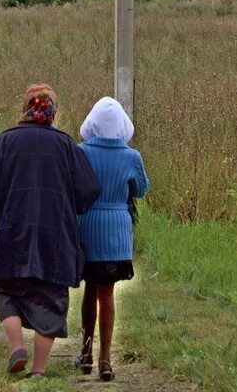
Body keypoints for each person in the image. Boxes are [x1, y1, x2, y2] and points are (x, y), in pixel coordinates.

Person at [0, 84, 100, 379]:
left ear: (25, 109)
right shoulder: (67, 146)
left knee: (8, 293)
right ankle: (39, 369)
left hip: (10, 235)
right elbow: (89, 190)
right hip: (54, 238)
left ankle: (16, 346)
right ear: (53, 112)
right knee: (51, 301)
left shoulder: (5, 143)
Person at [76, 96, 150, 382]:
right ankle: (106, 359)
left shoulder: (82, 152)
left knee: (89, 289)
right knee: (107, 294)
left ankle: (85, 352)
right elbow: (141, 189)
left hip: (87, 225)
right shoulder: (131, 156)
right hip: (117, 230)